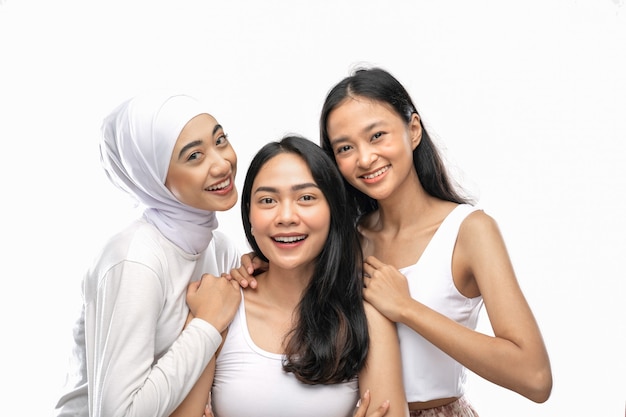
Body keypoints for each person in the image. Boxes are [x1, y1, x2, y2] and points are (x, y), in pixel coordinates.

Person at [235, 68, 553, 416]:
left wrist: (407, 308)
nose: (366, 158)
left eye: (377, 136)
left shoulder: (468, 231)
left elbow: (535, 378)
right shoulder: (345, 238)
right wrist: (259, 264)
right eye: (345, 147)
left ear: (413, 130)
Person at [171, 136, 408, 417]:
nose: (286, 216)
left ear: (333, 209)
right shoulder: (218, 309)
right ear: (249, 215)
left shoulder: (366, 314)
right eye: (268, 200)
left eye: (306, 198)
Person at [54, 92, 243, 417]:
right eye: (195, 156)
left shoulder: (219, 248)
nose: (222, 163)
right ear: (154, 177)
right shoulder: (134, 260)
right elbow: (119, 413)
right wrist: (206, 323)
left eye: (220, 140)